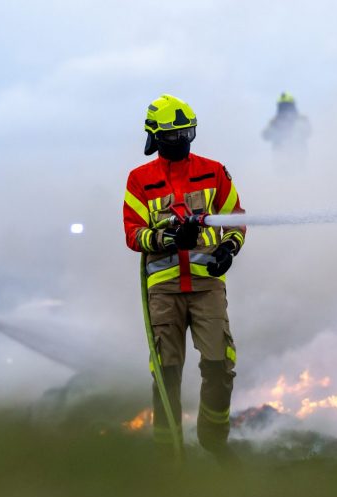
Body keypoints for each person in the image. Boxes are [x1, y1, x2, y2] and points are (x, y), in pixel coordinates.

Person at [122, 94, 247, 462]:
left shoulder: (213, 171)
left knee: (219, 364)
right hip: (164, 291)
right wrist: (167, 237)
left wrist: (229, 249)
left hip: (207, 284)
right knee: (166, 375)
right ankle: (168, 457)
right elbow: (133, 234)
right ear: (156, 137)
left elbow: (235, 217)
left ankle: (214, 442)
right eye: (174, 135)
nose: (182, 141)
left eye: (187, 133)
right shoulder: (139, 180)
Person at [262, 92, 311, 172]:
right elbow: (265, 135)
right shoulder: (274, 122)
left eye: (287, 106)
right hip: (281, 160)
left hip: (298, 159)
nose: (285, 110)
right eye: (282, 107)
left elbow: (308, 132)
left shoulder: (301, 119)